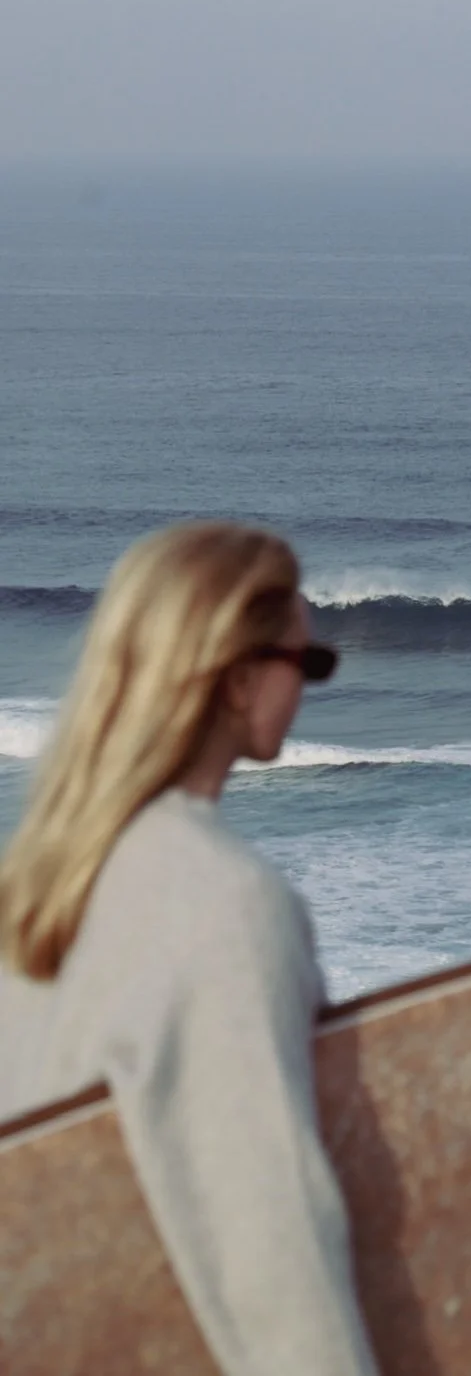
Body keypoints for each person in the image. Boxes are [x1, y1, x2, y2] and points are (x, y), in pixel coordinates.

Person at [0, 521, 380, 1376]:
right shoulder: (222, 903)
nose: (313, 686)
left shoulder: (40, 885)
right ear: (241, 678)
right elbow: (266, 1234)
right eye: (307, 664)